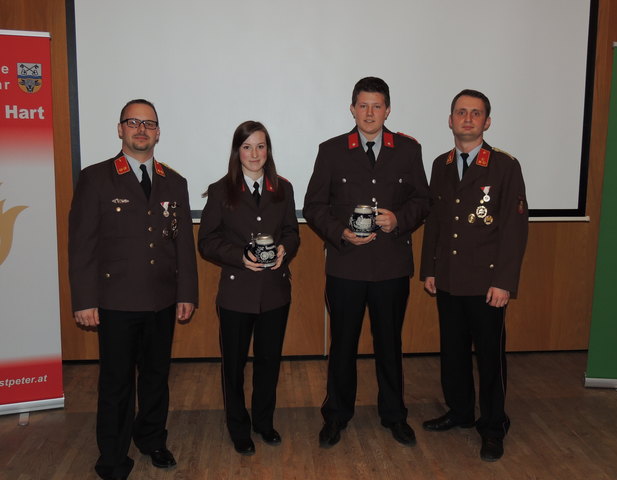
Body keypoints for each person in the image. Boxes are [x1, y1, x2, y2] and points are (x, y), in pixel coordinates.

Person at [68, 99, 198, 480]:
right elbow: (82, 245)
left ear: (158, 132)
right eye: (133, 122)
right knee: (116, 383)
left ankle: (152, 439)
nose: (141, 130)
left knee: (157, 377)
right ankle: (112, 456)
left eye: (149, 124)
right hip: (117, 301)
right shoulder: (96, 178)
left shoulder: (174, 182)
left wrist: (186, 292)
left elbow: (181, 246)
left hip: (161, 299)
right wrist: (84, 300)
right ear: (120, 129)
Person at [303, 77, 430, 447]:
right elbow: (314, 206)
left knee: (389, 345)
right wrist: (340, 232)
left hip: (390, 267)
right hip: (346, 267)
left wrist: (399, 220)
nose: (369, 113)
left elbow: (423, 200)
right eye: (363, 105)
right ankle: (336, 415)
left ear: (387, 109)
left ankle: (394, 415)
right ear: (352, 108)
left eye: (377, 106)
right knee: (342, 346)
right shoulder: (331, 150)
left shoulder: (407, 150)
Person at [420, 89, 528, 461]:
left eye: (476, 113)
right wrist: (429, 269)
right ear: (450, 120)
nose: (468, 119)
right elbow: (435, 222)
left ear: (487, 122)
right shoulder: (441, 164)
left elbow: (514, 230)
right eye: (461, 112)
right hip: (448, 278)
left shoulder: (504, 166)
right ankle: (461, 411)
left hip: (487, 283)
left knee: (489, 358)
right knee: (452, 353)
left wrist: (504, 282)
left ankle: (494, 425)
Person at [198, 121, 299, 456]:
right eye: (247, 147)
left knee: (269, 362)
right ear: (236, 151)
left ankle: (263, 422)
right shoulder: (220, 190)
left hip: (274, 292)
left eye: (261, 146)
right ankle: (238, 427)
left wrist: (286, 248)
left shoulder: (283, 188)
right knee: (234, 365)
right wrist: (239, 257)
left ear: (268, 150)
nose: (254, 154)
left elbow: (292, 233)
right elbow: (207, 242)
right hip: (236, 293)